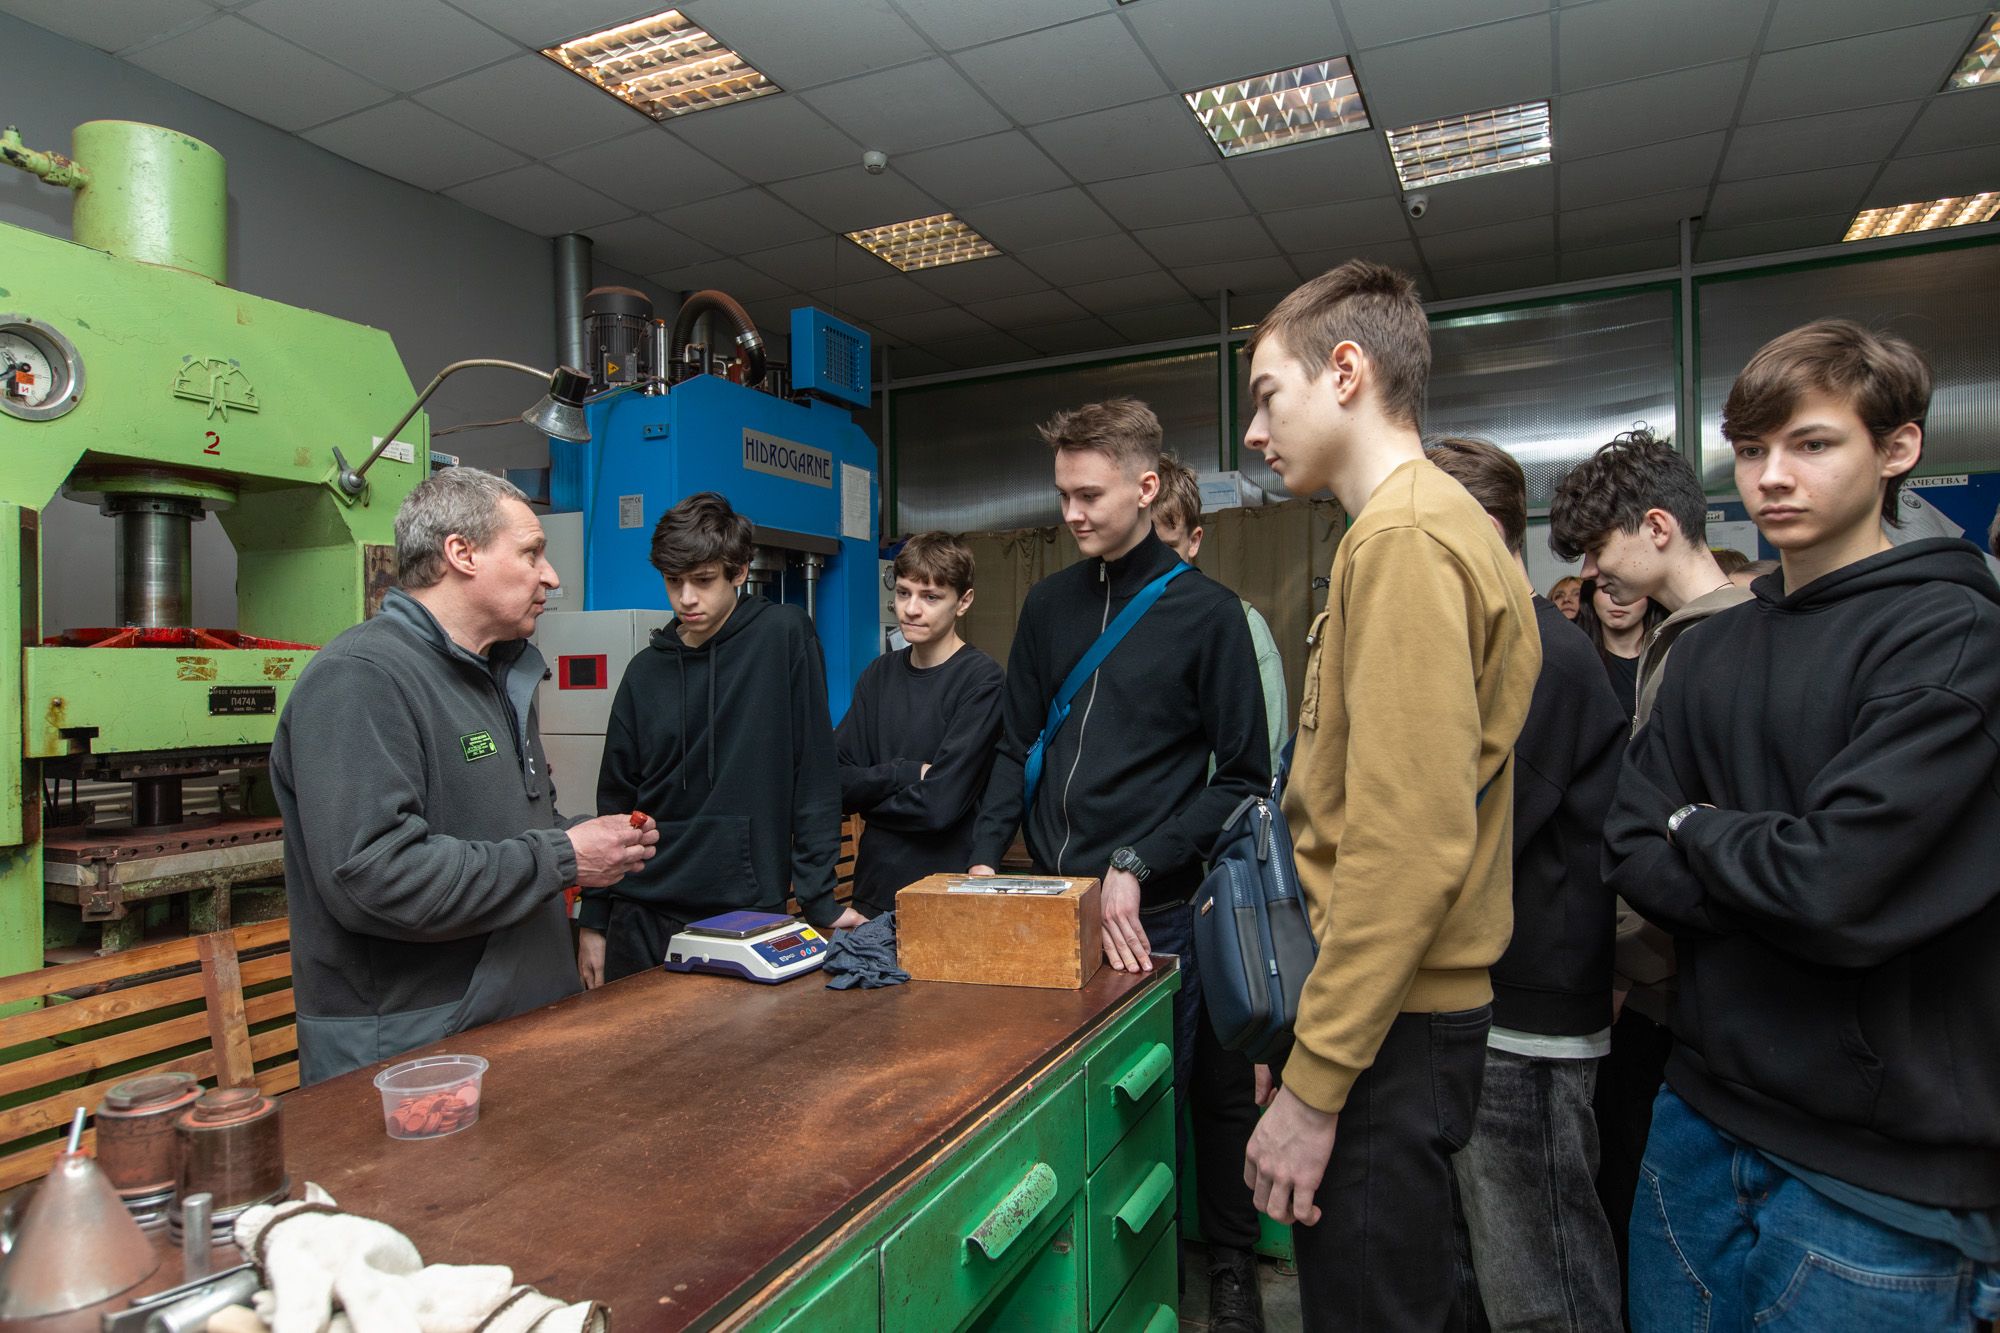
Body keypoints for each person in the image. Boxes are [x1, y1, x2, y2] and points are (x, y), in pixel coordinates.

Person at [1608, 319, 2000, 1329]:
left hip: (1876, 1177)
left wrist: (1697, 828)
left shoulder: (1953, 635)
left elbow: (1830, 880)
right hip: (1697, 1116)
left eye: (1811, 443)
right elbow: (1630, 847)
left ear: (1897, 449)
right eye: (1750, 450)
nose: (1771, 476)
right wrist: (1768, 871)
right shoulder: (1709, 647)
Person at [1237, 261, 1540, 1333]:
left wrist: (1318, 1081)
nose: (1253, 432)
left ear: (1345, 372)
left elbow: (1403, 846)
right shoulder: (1411, 527)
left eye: (1267, 394)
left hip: (1389, 1032)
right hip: (1384, 1014)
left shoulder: (1407, 538)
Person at [966, 397, 1272, 1332]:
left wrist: (1139, 860)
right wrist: (982, 862)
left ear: (1146, 487)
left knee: (1181, 1100)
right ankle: (1100, 1285)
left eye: (1090, 495)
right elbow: (1014, 745)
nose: (1072, 513)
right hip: (1052, 909)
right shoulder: (1048, 606)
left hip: (1159, 915)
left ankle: (1224, 1269)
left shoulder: (1210, 617)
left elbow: (1245, 778)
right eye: (1062, 494)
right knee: (1070, 1111)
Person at [273, 468, 657, 1085]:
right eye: (531, 553)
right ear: (462, 553)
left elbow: (507, 830)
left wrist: (587, 839)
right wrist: (563, 857)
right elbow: (376, 877)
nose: (551, 577)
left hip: (519, 1013)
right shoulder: (360, 677)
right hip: (416, 1041)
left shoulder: (499, 675)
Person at [1547, 428, 1755, 1292]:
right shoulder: (1704, 633)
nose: (1596, 571)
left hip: (1681, 994)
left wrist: (1631, 963)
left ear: (1659, 527)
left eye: (1602, 548)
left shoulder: (1711, 644)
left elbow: (1683, 831)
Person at [1427, 438, 1628, 1333]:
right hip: (1487, 1009)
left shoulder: (1543, 653)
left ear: (1481, 529)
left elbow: (1476, 842)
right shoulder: (1501, 642)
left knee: (1543, 1291)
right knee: (1479, 1278)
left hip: (1530, 1028)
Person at [581, 492, 863, 987]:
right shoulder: (644, 671)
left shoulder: (783, 635)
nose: (686, 598)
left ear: (739, 571)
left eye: (703, 580)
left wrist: (820, 899)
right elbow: (616, 801)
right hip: (639, 910)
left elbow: (815, 774)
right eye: (674, 581)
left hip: (743, 913)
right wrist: (594, 920)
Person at [834, 531, 1004, 918]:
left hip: (945, 898)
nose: (911, 609)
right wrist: (905, 773)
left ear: (964, 601)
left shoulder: (982, 681)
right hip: (873, 891)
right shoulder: (877, 674)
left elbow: (939, 807)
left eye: (930, 597)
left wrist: (869, 801)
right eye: (904, 592)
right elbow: (834, 781)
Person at [1153, 454, 1290, 771]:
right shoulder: (1101, 624)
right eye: (1141, 551)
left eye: (1168, 548)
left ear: (1193, 542)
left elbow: (1261, 765)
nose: (1153, 567)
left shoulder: (1243, 627)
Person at [1572, 580, 1665, 717]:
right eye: (1607, 588)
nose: (1617, 600)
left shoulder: (1671, 657)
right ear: (1591, 596)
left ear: (1650, 598)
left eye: (1630, 588)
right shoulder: (1575, 660)